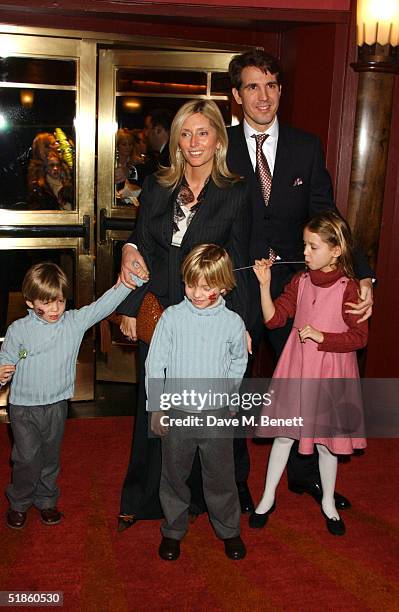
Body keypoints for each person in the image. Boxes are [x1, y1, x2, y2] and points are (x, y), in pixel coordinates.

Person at [225, 49, 374, 511]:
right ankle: (232, 482)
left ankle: (304, 474)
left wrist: (362, 272)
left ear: (280, 91)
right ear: (236, 96)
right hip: (237, 285)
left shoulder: (306, 146)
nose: (263, 96)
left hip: (298, 287)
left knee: (309, 382)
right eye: (252, 86)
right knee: (235, 384)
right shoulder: (219, 145)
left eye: (271, 85)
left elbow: (326, 214)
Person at [116, 99, 250, 531]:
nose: (194, 142)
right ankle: (147, 497)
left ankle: (200, 500)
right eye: (185, 133)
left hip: (209, 314)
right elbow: (141, 245)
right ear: (176, 140)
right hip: (160, 308)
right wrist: (132, 307)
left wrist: (241, 325)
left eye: (203, 133)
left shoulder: (237, 192)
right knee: (154, 406)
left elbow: (242, 264)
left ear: (218, 140)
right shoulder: (158, 186)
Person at [250, 211, 368, 536]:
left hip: (331, 375)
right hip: (297, 368)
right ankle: (267, 497)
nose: (304, 252)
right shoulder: (299, 281)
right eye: (304, 245)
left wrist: (322, 337)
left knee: (327, 443)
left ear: (336, 250)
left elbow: (360, 337)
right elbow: (274, 320)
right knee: (285, 435)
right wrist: (264, 286)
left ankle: (328, 501)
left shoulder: (349, 288)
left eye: (312, 247)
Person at [0, 262, 132, 530]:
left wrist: (128, 285)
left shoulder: (72, 322)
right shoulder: (18, 330)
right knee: (26, 457)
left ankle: (47, 500)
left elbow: (102, 307)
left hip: (57, 405)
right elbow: (7, 358)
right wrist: (2, 372)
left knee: (50, 457)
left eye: (59, 301)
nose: (54, 310)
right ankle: (19, 502)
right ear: (29, 301)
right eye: (46, 304)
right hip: (24, 407)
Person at [147, 244, 247, 561]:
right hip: (177, 411)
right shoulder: (172, 318)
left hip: (216, 412)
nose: (196, 293)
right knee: (174, 475)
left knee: (221, 476)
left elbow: (237, 362)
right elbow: (155, 364)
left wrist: (231, 396)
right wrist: (156, 407)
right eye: (191, 285)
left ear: (223, 284)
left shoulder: (232, 323)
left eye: (206, 288)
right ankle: (173, 530)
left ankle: (229, 530)